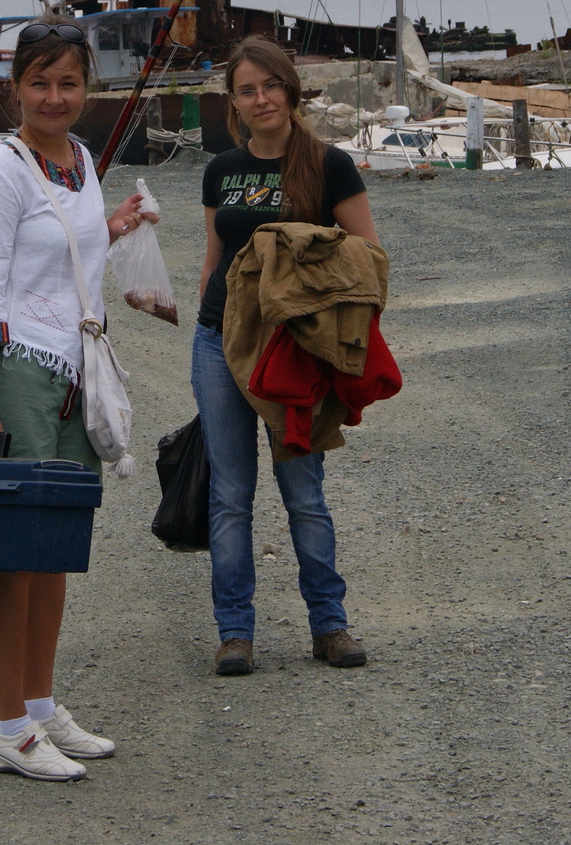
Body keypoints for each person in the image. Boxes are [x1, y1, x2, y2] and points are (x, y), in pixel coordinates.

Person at [0, 18, 151, 780]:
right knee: (13, 553)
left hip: (76, 370)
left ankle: (38, 705)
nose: (54, 96)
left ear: (87, 86)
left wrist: (114, 225)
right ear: (16, 87)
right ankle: (5, 725)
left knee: (56, 546)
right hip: (18, 371)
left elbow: (62, 249)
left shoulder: (76, 160)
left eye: (68, 82)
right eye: (39, 82)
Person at [194, 35, 380, 676]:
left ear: (289, 89)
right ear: (234, 103)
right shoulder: (221, 171)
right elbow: (213, 265)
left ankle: (330, 625)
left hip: (297, 350)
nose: (260, 98)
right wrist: (201, 326)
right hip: (222, 342)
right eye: (247, 90)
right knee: (230, 493)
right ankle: (235, 634)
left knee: (303, 490)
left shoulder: (329, 165)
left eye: (269, 85)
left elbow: (367, 261)